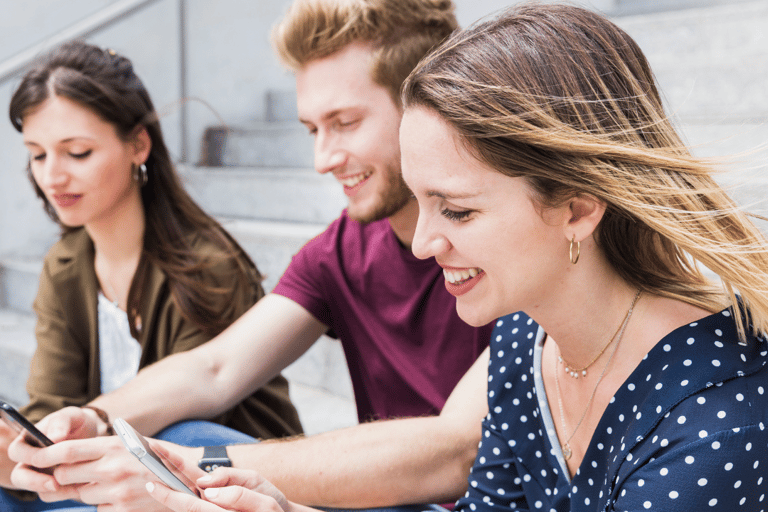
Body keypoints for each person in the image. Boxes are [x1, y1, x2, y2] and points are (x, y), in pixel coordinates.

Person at [145, 2, 768, 511]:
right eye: (421, 204)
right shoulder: (527, 343)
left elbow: (447, 451)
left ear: (577, 209)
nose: (423, 244)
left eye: (458, 211)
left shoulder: (719, 420)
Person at [8, 0, 495, 510]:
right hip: (388, 495)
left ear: (427, 106)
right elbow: (216, 367)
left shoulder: (512, 238)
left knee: (189, 441)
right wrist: (99, 419)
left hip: (458, 493)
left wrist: (199, 463)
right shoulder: (339, 250)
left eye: (345, 122)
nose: (322, 160)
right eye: (311, 129)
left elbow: (456, 448)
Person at [0, 40, 303, 511]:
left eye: (76, 152)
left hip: (210, 479)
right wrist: (24, 449)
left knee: (177, 434)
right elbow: (51, 404)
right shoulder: (64, 266)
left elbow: (186, 429)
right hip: (108, 478)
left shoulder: (207, 264)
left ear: (138, 144)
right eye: (37, 155)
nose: (52, 176)